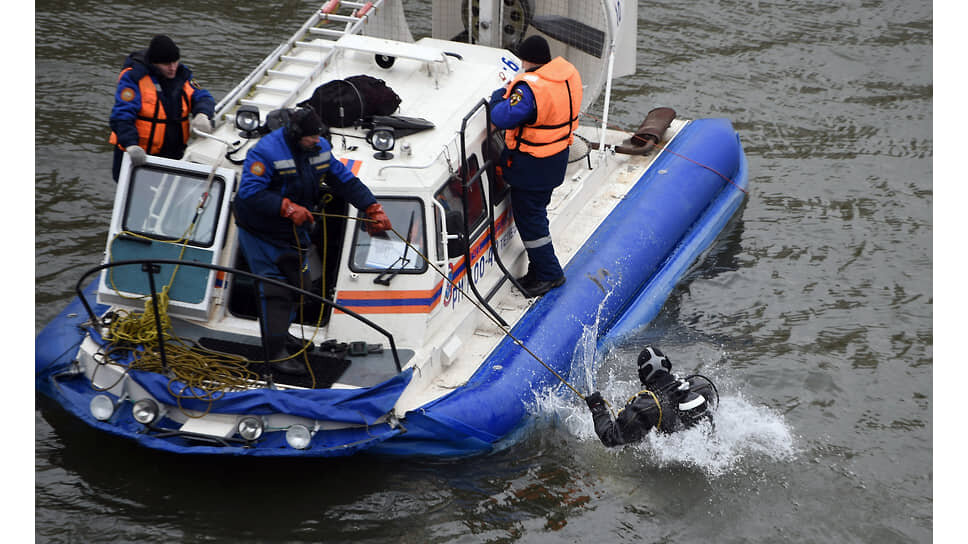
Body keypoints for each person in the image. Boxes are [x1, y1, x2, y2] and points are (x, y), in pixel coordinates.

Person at [233, 107, 392, 375]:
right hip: (260, 230)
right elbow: (249, 193)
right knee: (276, 290)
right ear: (296, 135)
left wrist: (371, 206)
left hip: (294, 229)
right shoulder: (265, 152)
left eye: (318, 135)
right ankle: (275, 355)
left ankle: (282, 335)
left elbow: (344, 181)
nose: (316, 141)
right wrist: (287, 208)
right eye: (310, 137)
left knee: (302, 285)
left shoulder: (319, 147)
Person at [488, 35, 582, 297]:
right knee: (536, 215)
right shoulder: (566, 74)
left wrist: (500, 96)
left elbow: (502, 116)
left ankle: (550, 274)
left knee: (531, 221)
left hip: (532, 166)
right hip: (555, 158)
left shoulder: (530, 88)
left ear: (526, 59)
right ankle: (538, 270)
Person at [109, 35, 215, 181]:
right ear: (154, 63)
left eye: (175, 62)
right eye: (166, 64)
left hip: (172, 156)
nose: (172, 68)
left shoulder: (182, 75)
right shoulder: (133, 78)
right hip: (139, 156)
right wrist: (131, 145)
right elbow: (122, 115)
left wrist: (202, 114)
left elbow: (203, 96)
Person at [585, 346, 717, 447]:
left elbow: (609, 437)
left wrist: (598, 409)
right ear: (668, 365)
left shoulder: (644, 409)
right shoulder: (702, 387)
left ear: (642, 377)